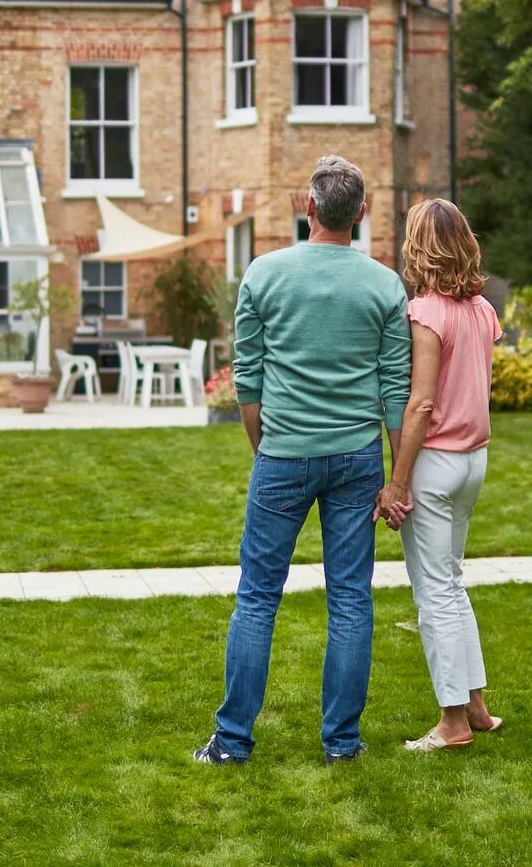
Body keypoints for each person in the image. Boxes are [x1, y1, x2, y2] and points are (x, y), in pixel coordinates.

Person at [193, 155, 412, 766]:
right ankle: (342, 744)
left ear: (308, 209)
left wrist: (264, 447)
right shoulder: (384, 284)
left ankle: (232, 743)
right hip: (357, 458)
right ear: (361, 214)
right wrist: (397, 477)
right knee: (350, 599)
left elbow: (248, 380)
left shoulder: (263, 274)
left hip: (284, 456)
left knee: (258, 596)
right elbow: (397, 389)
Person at [378, 197, 503, 752]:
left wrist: (397, 482)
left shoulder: (427, 311)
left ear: (419, 246)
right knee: (452, 582)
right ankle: (476, 706)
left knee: (435, 594)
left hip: (436, 464)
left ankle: (452, 722)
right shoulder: (481, 310)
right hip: (474, 461)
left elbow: (421, 404)